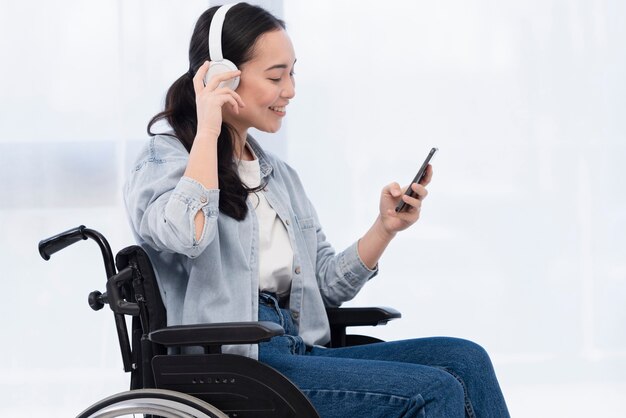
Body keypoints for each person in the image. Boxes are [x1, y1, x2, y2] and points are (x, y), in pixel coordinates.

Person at [124, 3, 510, 417]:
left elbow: (324, 286)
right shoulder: (165, 159)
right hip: (234, 365)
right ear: (223, 77)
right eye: (276, 76)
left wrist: (385, 227)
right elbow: (187, 235)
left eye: (292, 73)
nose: (290, 89)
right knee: (432, 390)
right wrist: (209, 126)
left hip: (297, 349)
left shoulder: (279, 176)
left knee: (467, 359)